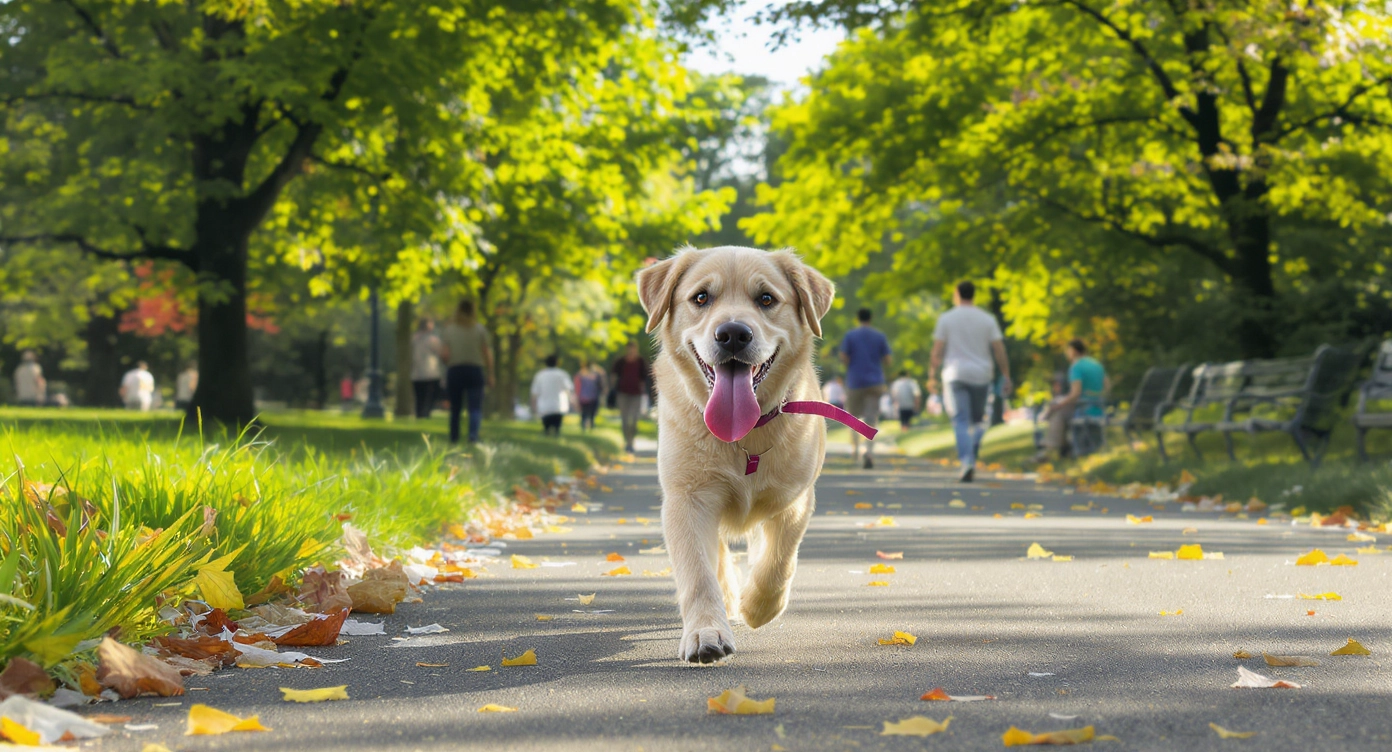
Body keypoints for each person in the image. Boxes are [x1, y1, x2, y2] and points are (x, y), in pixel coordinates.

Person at [927, 281, 1011, 483]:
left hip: (955, 375)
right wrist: (1006, 374)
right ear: (974, 295)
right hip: (981, 375)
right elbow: (999, 349)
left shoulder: (946, 318)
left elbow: (937, 350)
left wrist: (931, 375)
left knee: (960, 420)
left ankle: (967, 461)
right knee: (978, 420)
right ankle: (972, 449)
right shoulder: (987, 319)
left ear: (957, 294)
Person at [1035, 339, 1109, 463]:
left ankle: (1050, 448)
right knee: (1058, 411)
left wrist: (1059, 405)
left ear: (1073, 351)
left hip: (1083, 409)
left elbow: (1075, 393)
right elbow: (1107, 386)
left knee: (1058, 412)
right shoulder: (1097, 364)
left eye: (1067, 351)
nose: (1067, 354)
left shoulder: (1076, 366)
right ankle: (1059, 449)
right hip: (1098, 407)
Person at [839, 308, 891, 469]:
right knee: (871, 417)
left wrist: (852, 363)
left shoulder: (850, 336)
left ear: (858, 318)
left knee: (852, 417)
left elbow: (843, 356)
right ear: (871, 318)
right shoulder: (879, 336)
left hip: (855, 381)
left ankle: (855, 448)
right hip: (875, 381)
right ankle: (868, 450)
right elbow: (887, 359)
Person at [440, 299, 494, 443]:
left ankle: (454, 437)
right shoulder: (480, 329)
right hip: (475, 370)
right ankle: (473, 435)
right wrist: (490, 374)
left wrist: (449, 362)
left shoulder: (449, 330)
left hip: (455, 370)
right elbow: (487, 354)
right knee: (475, 407)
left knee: (455, 408)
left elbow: (445, 355)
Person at [612, 342, 649, 454]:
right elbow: (614, 376)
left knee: (633, 419)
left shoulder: (641, 362)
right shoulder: (620, 362)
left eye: (633, 349)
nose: (631, 351)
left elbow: (645, 378)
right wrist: (613, 389)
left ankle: (631, 441)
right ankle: (627, 442)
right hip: (622, 394)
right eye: (629, 349)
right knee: (624, 419)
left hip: (636, 394)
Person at [531, 355, 574, 437]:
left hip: (544, 407)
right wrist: (572, 401)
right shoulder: (562, 374)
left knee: (547, 429)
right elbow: (569, 389)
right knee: (557, 428)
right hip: (559, 406)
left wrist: (534, 407)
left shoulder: (540, 375)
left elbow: (534, 393)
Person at [410, 318, 444, 419]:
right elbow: (440, 353)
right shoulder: (433, 340)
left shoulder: (413, 339)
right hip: (431, 373)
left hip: (416, 374)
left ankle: (420, 415)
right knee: (430, 397)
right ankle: (426, 413)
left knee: (419, 397)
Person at [574, 362, 606, 431]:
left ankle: (584, 426)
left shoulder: (581, 375)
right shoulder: (596, 375)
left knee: (584, 413)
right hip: (593, 397)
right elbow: (601, 385)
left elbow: (577, 386)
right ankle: (590, 425)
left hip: (583, 397)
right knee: (591, 413)